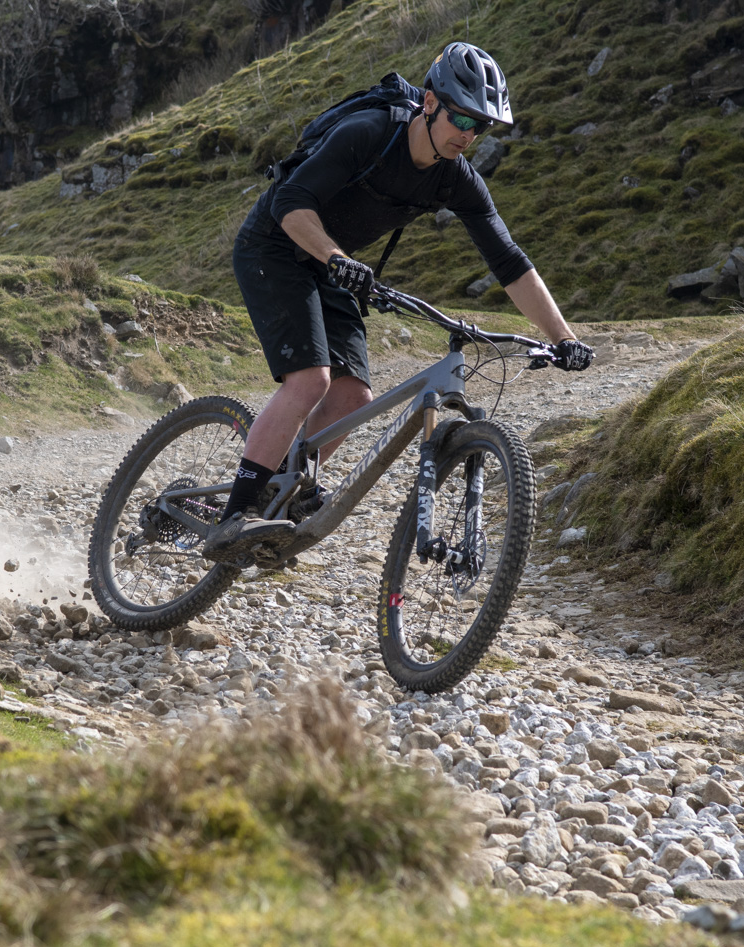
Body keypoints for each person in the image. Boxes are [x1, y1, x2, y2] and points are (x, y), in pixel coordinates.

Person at [205, 41, 593, 562]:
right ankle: (236, 515)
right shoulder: (369, 133)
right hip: (275, 245)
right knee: (311, 380)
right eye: (462, 117)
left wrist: (563, 338)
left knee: (353, 397)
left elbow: (509, 261)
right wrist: (336, 258)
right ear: (430, 102)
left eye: (481, 126)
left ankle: (283, 490)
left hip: (332, 265)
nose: (469, 134)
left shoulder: (455, 177)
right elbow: (290, 203)